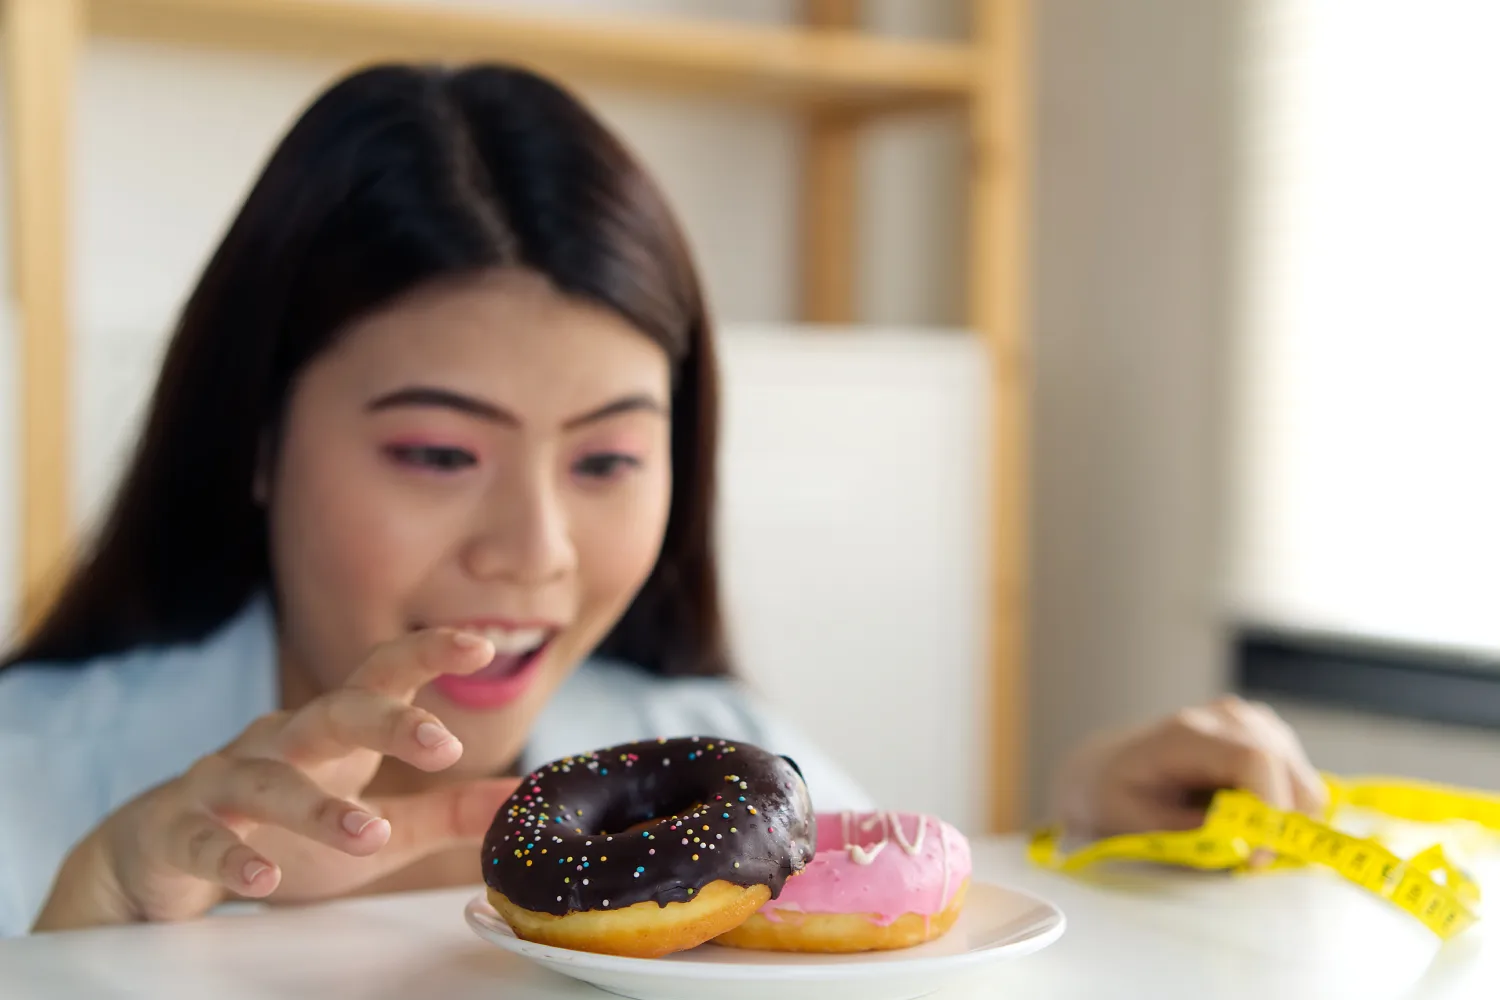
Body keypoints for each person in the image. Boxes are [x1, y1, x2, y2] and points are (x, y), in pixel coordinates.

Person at [0, 63, 1326, 939]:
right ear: (259, 440)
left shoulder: (713, 745)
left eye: (608, 461)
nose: (536, 554)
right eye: (438, 456)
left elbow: (907, 922)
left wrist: (1081, 840)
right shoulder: (30, 783)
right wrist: (90, 926)